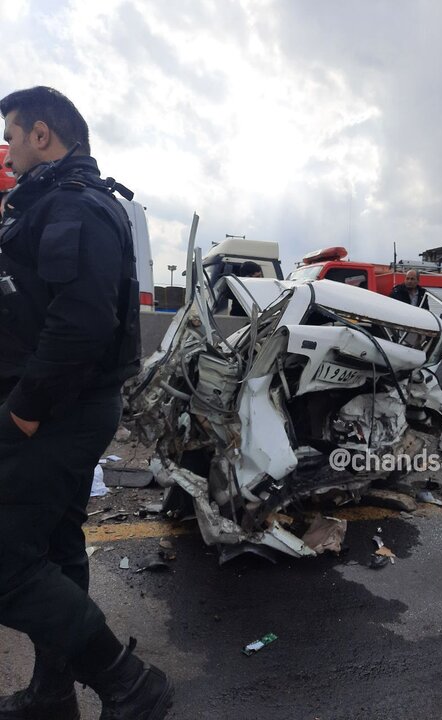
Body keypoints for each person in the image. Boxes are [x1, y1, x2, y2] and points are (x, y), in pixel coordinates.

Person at [0, 87, 173, 720]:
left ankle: (128, 683)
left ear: (42, 134)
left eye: (13, 136)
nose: (9, 150)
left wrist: (23, 410)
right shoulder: (48, 203)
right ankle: (52, 694)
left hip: (54, 412)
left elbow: (79, 324)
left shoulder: (73, 207)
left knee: (8, 564)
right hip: (56, 405)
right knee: (53, 549)